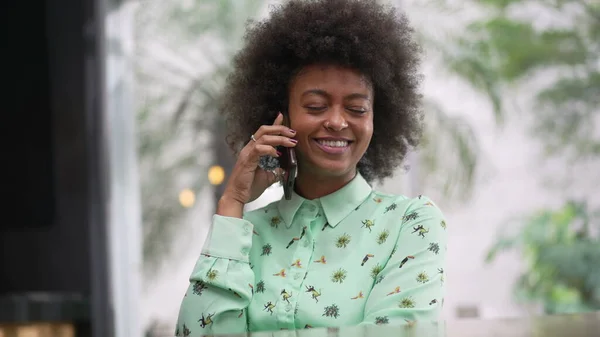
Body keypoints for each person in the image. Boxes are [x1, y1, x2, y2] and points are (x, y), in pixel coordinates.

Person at [175, 0, 447, 335]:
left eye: (357, 108)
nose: (336, 121)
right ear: (281, 117)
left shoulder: (409, 223)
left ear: (378, 119)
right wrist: (232, 202)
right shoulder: (244, 233)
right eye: (316, 106)